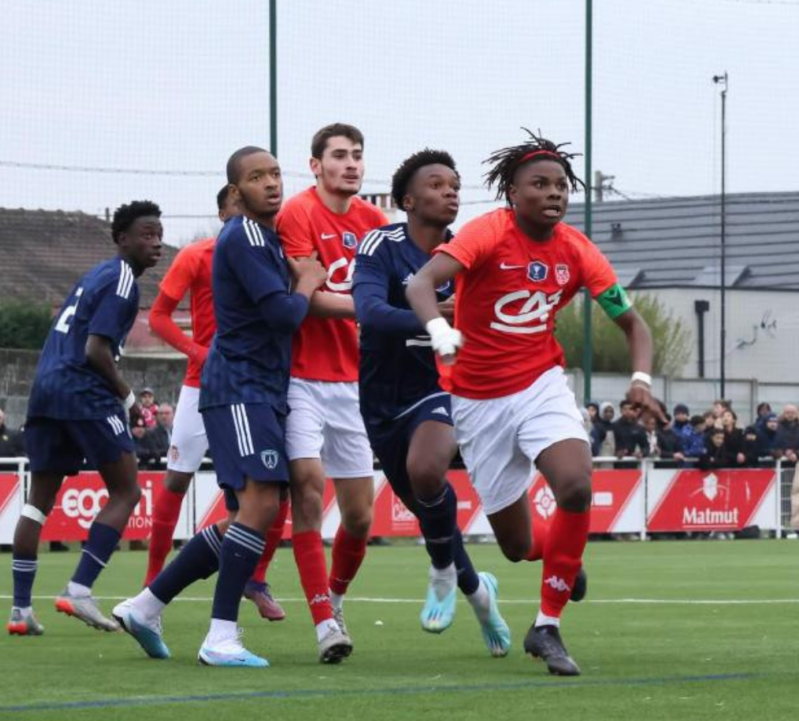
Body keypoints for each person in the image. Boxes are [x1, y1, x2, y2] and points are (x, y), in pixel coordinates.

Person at [406, 129, 662, 676]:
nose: (554, 193)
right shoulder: (487, 234)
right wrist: (437, 327)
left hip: (541, 384)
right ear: (513, 195)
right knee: (519, 546)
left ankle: (547, 625)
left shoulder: (577, 249)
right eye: (539, 184)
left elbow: (633, 323)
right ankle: (562, 562)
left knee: (575, 483)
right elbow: (421, 283)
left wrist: (640, 378)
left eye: (561, 185)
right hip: (478, 402)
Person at [115, 147, 332, 668]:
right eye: (257, 177)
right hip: (240, 387)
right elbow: (282, 316)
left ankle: (146, 606)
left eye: (276, 173)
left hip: (254, 388)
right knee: (260, 503)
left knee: (247, 512)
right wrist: (306, 281)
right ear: (236, 192)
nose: (272, 183)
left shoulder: (263, 238)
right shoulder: (246, 236)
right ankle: (220, 636)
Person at [351, 148, 512, 654]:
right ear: (408, 200)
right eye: (438, 184)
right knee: (429, 513)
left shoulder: (469, 251)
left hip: (439, 388)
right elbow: (371, 314)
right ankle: (477, 592)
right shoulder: (382, 245)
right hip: (381, 400)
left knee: (428, 471)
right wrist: (435, 318)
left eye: (455, 185)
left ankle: (442, 571)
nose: (450, 193)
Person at [7, 200, 163, 637]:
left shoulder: (95, 275)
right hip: (82, 391)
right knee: (127, 490)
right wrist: (130, 398)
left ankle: (20, 610)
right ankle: (79, 588)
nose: (157, 243)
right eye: (147, 235)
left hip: (46, 388)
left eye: (158, 234)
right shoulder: (122, 279)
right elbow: (96, 350)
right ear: (122, 240)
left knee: (38, 502)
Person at [142, 186, 289, 621]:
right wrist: (197, 352)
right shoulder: (198, 254)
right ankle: (152, 582)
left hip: (256, 382)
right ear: (226, 207)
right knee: (177, 482)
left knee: (266, 492)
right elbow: (157, 317)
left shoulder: (270, 251)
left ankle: (254, 579)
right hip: (208, 382)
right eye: (236, 205)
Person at [275, 123, 389, 642]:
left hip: (354, 383)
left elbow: (392, 294)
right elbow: (310, 294)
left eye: (358, 156)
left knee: (361, 517)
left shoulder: (376, 222)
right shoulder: (297, 213)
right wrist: (374, 307)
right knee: (308, 490)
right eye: (339, 155)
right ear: (315, 165)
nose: (351, 164)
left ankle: (336, 597)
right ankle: (324, 623)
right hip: (299, 377)